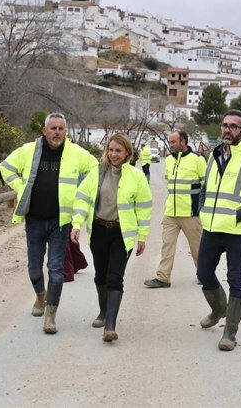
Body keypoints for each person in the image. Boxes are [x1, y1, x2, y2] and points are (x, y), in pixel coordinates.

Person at [0, 112, 98, 334]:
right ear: (44, 131)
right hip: (34, 220)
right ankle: (40, 297)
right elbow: (5, 167)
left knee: (55, 269)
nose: (57, 132)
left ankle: (50, 315)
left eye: (61, 129)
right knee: (34, 267)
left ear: (65, 132)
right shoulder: (28, 150)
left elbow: (95, 169)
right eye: (53, 128)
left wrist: (81, 191)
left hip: (60, 222)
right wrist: (20, 187)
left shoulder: (75, 153)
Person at [197, 109, 241, 351]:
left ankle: (230, 331)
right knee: (203, 273)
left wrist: (238, 216)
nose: (227, 130)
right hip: (212, 227)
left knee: (236, 279)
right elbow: (206, 188)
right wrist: (202, 210)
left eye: (233, 126)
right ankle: (218, 309)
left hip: (236, 232)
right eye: (225, 125)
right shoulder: (214, 155)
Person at [71, 133, 152, 343]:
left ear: (127, 153)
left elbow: (143, 208)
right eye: (111, 149)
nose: (113, 154)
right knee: (100, 276)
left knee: (115, 278)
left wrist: (142, 236)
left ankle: (110, 326)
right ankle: (103, 312)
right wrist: (77, 223)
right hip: (98, 231)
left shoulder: (136, 176)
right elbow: (82, 198)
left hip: (121, 234)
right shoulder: (96, 173)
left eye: (118, 150)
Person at [144, 130, 206, 288]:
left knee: (197, 248)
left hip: (191, 214)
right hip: (171, 213)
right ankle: (163, 277)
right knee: (167, 246)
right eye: (170, 142)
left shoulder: (197, 160)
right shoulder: (169, 161)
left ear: (183, 142)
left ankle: (204, 275)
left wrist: (201, 208)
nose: (170, 145)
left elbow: (207, 186)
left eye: (173, 142)